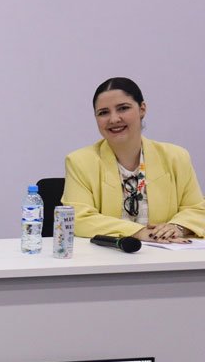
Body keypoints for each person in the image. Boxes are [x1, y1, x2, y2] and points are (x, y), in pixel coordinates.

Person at [62, 77, 205, 241]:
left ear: (142, 109)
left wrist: (178, 227)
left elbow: (198, 210)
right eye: (103, 113)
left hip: (167, 256)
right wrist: (138, 232)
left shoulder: (175, 157)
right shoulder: (79, 161)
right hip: (107, 259)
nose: (114, 119)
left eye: (123, 108)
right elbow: (78, 219)